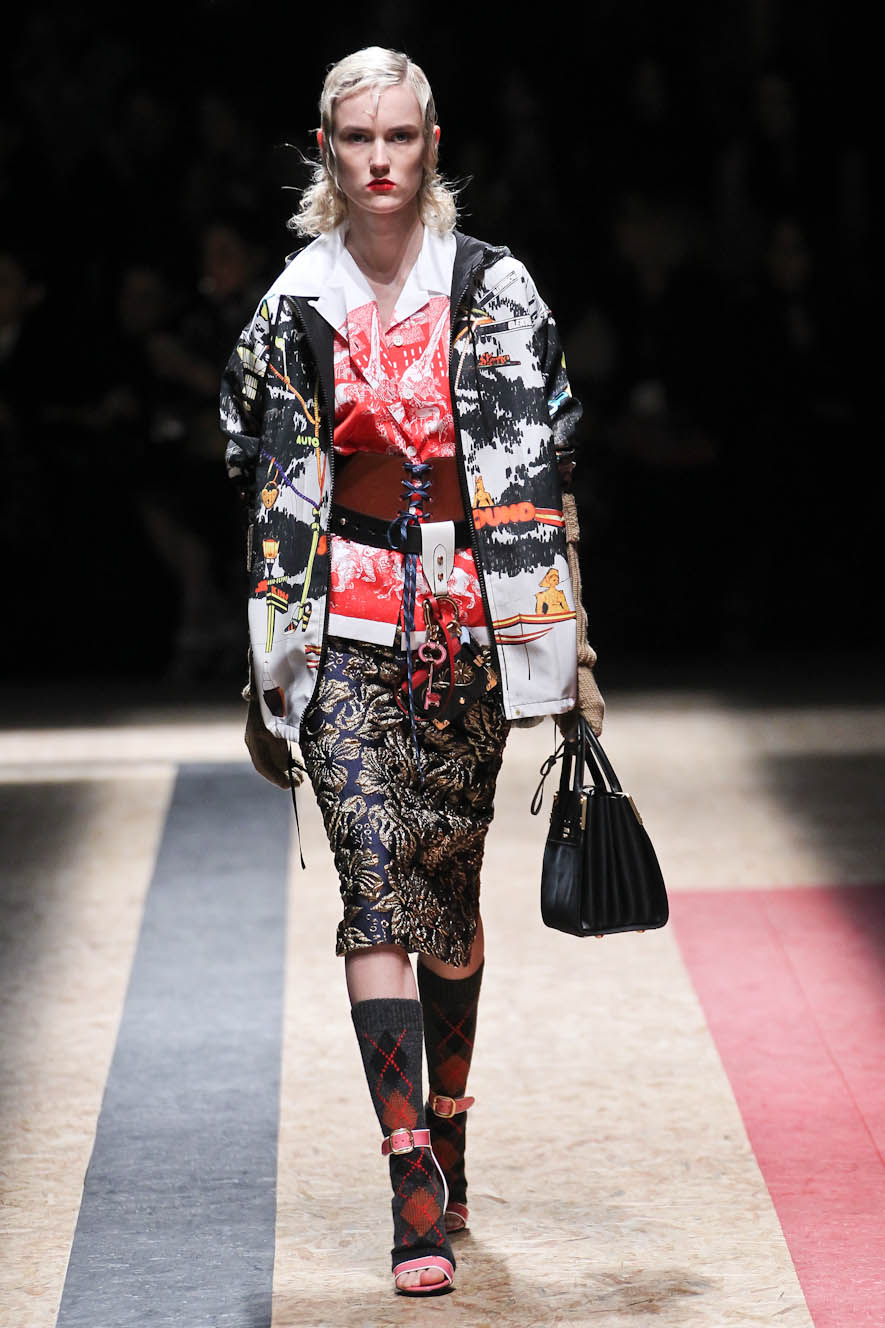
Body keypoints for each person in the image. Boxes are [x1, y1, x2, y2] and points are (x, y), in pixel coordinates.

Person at [220, 46, 603, 1297]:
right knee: (375, 891)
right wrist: (270, 646)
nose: (378, 159)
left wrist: (575, 645)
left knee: (447, 888)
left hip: (468, 624)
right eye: (356, 138)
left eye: (399, 136)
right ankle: (408, 1177)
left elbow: (551, 459)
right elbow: (249, 453)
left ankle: (450, 1119)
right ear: (324, 152)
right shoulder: (296, 304)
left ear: (433, 145)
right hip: (345, 627)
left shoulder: (495, 288)